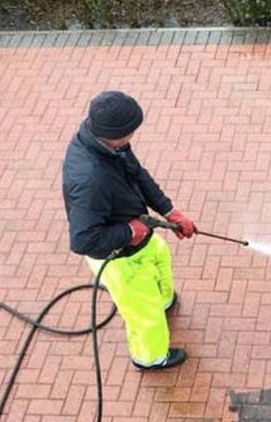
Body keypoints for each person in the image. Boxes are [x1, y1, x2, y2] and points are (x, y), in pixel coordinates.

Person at [62, 91, 196, 370]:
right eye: (131, 131)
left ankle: (162, 301)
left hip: (139, 241)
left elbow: (137, 173)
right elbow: (83, 240)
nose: (134, 135)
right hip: (119, 259)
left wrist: (169, 211)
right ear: (117, 132)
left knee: (159, 256)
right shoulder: (90, 179)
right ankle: (151, 358)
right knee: (144, 317)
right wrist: (127, 231)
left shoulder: (110, 145)